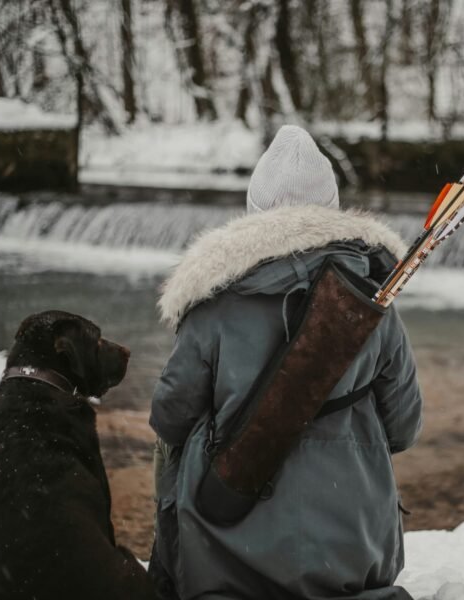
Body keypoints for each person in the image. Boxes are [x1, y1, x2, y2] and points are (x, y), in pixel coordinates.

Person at [149, 125, 423, 600]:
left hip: (229, 551)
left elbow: (170, 419)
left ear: (254, 211)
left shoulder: (213, 306)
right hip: (353, 550)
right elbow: (404, 427)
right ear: (334, 209)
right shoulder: (373, 305)